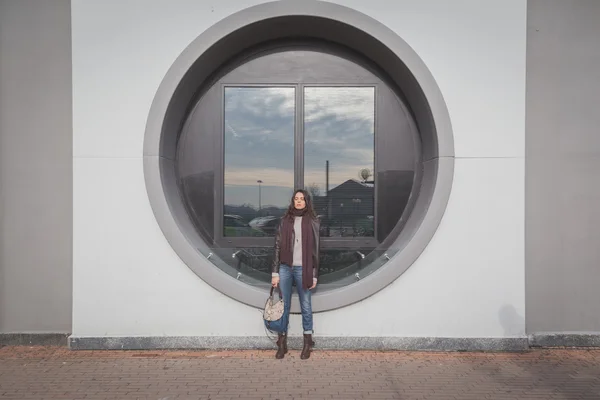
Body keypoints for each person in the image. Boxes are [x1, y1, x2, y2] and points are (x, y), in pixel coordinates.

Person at [271, 189, 320, 360]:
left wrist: (314, 274)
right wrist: (275, 272)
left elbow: (316, 251)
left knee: (305, 305)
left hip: (303, 268)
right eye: (296, 199)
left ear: (307, 202)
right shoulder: (285, 221)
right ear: (293, 201)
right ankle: (282, 343)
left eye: (302, 199)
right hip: (285, 267)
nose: (299, 201)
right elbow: (277, 247)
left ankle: (307, 342)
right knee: (284, 306)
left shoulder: (313, 222)